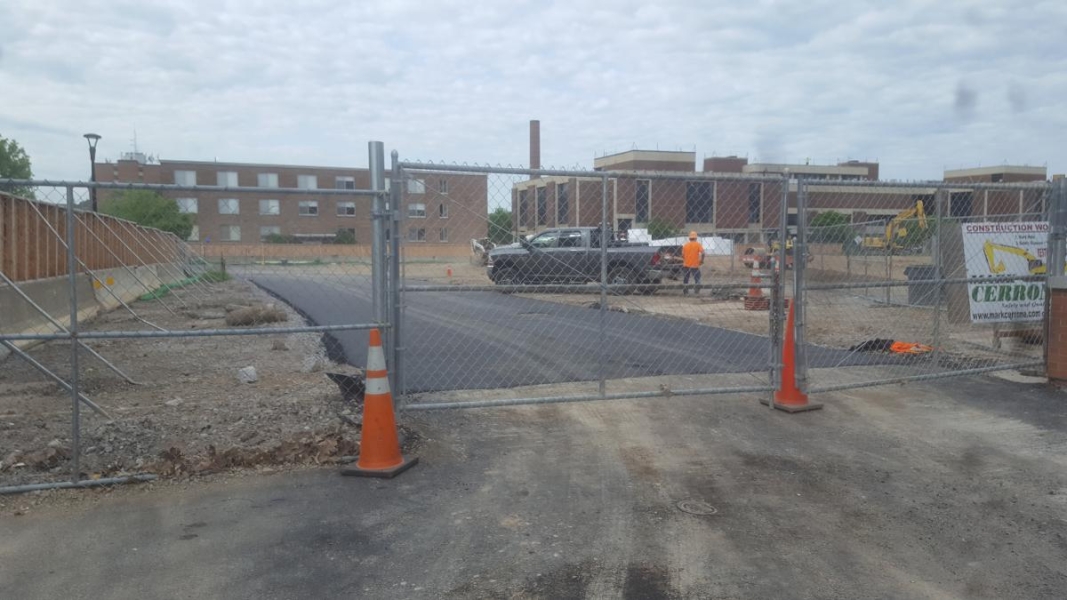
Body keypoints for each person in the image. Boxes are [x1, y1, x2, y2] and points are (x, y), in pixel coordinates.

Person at [681, 231, 705, 296]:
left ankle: (685, 292)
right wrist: (702, 260)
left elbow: (682, 255)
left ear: (689, 238)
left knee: (686, 279)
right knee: (697, 278)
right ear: (696, 238)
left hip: (686, 265)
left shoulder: (685, 245)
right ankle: (696, 291)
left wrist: (686, 258)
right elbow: (703, 253)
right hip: (695, 265)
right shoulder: (698, 244)